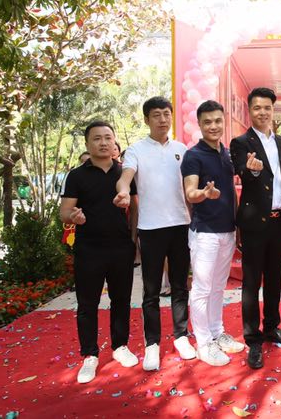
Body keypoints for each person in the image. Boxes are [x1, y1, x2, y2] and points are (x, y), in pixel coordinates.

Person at [114, 97, 195, 371]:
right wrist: (123, 191)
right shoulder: (136, 150)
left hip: (180, 225)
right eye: (156, 115)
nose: (162, 119)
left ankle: (181, 336)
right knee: (151, 291)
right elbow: (126, 176)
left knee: (180, 286)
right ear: (146, 119)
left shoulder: (182, 150)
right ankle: (152, 344)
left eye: (166, 114)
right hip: (150, 229)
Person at [60, 121, 139, 384]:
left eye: (107, 137)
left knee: (121, 299)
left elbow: (135, 209)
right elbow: (64, 212)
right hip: (88, 248)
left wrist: (133, 240)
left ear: (114, 142)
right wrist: (74, 217)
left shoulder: (125, 173)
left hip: (120, 247)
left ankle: (120, 346)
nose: (103, 143)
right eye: (97, 138)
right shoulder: (77, 176)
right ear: (87, 143)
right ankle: (90, 354)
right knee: (87, 304)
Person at [230, 87, 281, 369]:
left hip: (279, 221)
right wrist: (253, 169)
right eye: (257, 107)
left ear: (273, 110)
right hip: (254, 223)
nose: (262, 112)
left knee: (274, 278)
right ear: (249, 110)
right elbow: (242, 172)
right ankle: (253, 338)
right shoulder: (240, 142)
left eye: (267, 107)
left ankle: (272, 327)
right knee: (251, 282)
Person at [181, 100, 244, 366]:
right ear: (199, 124)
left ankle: (217, 333)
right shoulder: (193, 156)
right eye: (207, 122)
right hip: (205, 232)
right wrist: (204, 194)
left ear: (223, 121)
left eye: (218, 121)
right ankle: (204, 342)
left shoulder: (227, 154)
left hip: (227, 230)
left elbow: (232, 193)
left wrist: (237, 225)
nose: (213, 126)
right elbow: (190, 192)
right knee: (202, 288)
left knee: (219, 286)